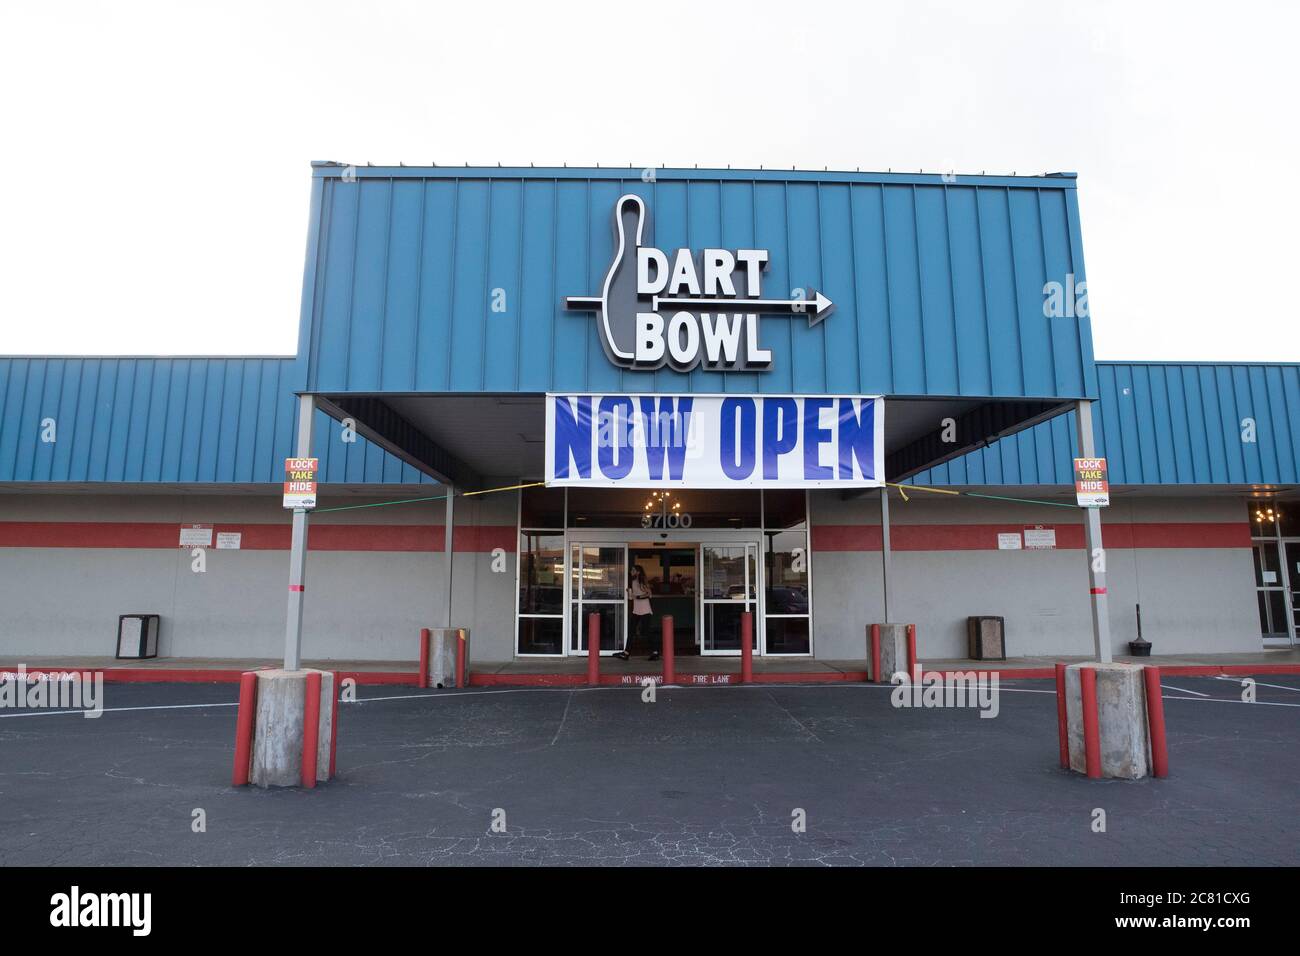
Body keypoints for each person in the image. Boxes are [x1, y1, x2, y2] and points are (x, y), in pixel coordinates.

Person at [615, 565, 658, 661]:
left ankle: (655, 652)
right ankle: (626, 653)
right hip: (636, 610)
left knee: (647, 632)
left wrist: (637, 597)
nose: (631, 571)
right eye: (631, 569)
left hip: (645, 610)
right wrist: (630, 593)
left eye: (633, 570)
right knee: (631, 631)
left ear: (638, 572)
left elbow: (649, 594)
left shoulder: (641, 581)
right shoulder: (633, 581)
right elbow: (632, 596)